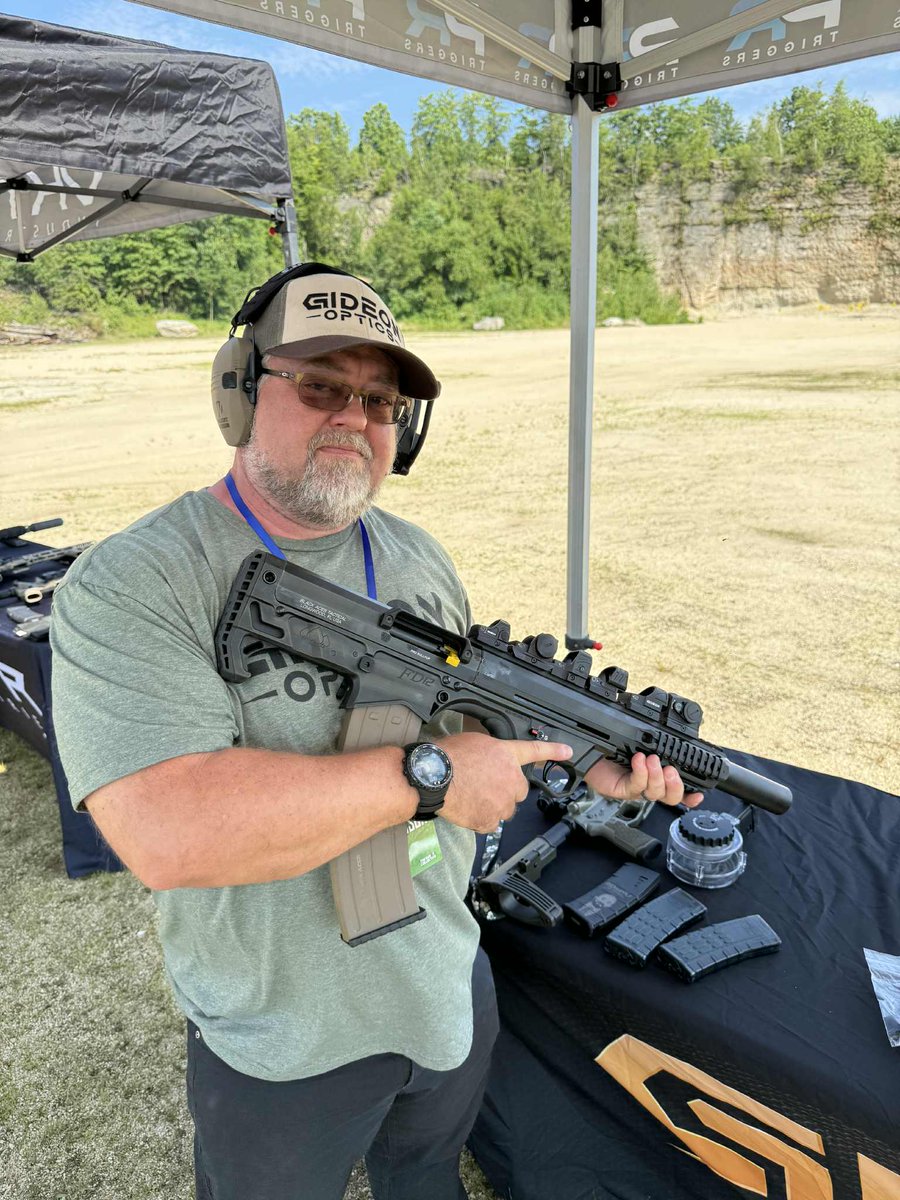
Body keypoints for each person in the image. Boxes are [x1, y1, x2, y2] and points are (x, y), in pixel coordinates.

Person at [49, 263, 702, 1200]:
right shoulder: (139, 580)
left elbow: (468, 715)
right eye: (321, 385)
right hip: (282, 1035)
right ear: (240, 389)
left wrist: (576, 754)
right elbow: (166, 828)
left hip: (442, 979)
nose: (355, 417)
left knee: (428, 1177)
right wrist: (431, 779)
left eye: (381, 400)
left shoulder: (414, 556)